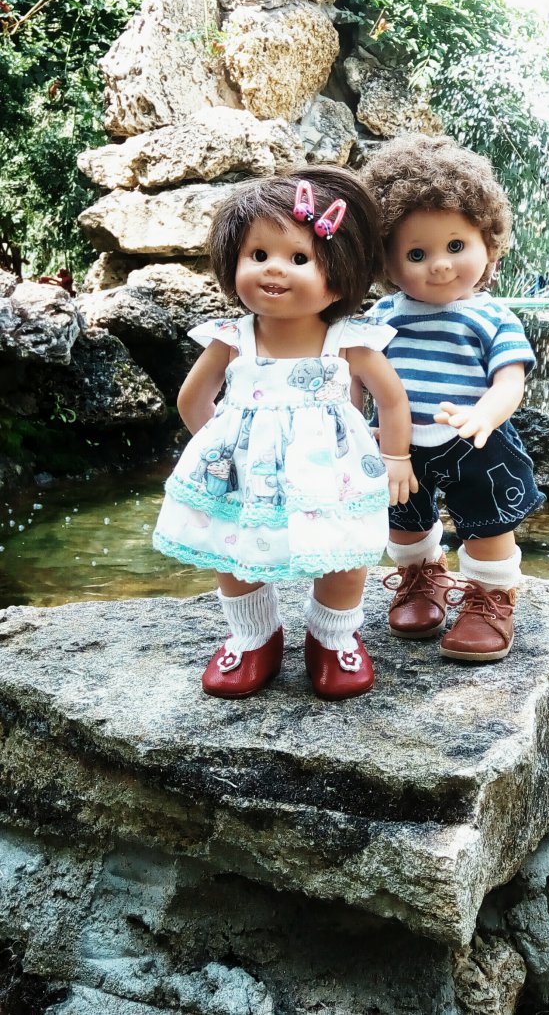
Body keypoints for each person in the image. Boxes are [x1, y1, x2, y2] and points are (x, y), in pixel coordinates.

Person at [153, 168, 415, 701]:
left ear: (339, 274)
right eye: (258, 255)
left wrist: (396, 457)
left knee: (343, 556)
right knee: (234, 552)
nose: (274, 269)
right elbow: (191, 400)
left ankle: (333, 637)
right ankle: (254, 637)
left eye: (299, 258)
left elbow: (391, 400)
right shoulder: (233, 338)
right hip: (244, 472)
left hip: (334, 474)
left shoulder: (347, 340)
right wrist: (220, 449)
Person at [362, 135, 544, 664]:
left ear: (489, 242)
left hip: (477, 443)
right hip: (398, 445)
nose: (439, 266)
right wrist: (350, 421)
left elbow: (510, 381)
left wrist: (485, 415)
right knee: (405, 519)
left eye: (456, 246)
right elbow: (354, 372)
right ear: (386, 261)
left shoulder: (491, 316)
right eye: (416, 254)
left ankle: (490, 597)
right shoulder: (381, 318)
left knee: (488, 523)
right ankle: (422, 577)